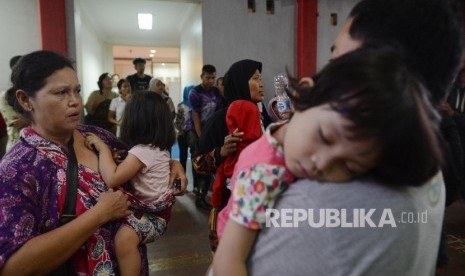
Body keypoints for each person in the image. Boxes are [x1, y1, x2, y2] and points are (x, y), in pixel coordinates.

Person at [245, 0, 463, 275]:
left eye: (337, 62)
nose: (321, 163)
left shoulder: (316, 203)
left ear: (377, 73)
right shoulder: (424, 169)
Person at [211, 46, 443, 275]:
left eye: (349, 166)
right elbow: (228, 261)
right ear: (304, 96)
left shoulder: (296, 130)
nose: (320, 163)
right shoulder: (263, 175)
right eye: (325, 136)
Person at [0, 50, 187, 275]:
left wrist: (174, 165)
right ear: (25, 100)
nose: (74, 101)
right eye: (61, 93)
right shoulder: (17, 169)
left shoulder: (97, 136)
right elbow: (13, 266)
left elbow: (146, 157)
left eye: (77, 91)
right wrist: (99, 215)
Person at [86, 91, 179, 276]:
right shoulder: (156, 148)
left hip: (154, 216)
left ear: (134, 120)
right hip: (159, 214)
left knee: (123, 240)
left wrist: (103, 149)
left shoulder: (142, 152)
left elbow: (112, 178)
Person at [184, 64, 225, 211]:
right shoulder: (195, 92)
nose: (210, 81)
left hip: (209, 129)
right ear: (202, 77)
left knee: (209, 160)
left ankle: (203, 192)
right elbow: (195, 116)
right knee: (199, 157)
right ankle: (198, 194)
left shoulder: (216, 92)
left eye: (213, 78)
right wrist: (201, 137)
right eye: (207, 77)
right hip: (193, 129)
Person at [0, 55, 29, 152]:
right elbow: (16, 122)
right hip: (16, 145)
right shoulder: (5, 96)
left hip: (41, 145)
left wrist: (28, 121)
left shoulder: (35, 92)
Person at [175, 85, 195, 171]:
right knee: (183, 157)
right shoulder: (180, 106)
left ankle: (196, 183)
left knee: (194, 157)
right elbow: (177, 121)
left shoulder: (197, 104)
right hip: (182, 135)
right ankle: (182, 178)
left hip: (194, 135)